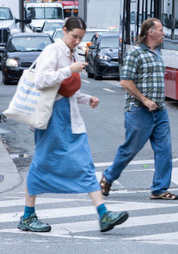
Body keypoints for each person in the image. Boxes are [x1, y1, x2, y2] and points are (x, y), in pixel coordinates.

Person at [17, 17, 129, 233]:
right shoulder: (53, 51)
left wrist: (87, 98)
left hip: (67, 117)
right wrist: (70, 70)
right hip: (52, 118)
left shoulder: (71, 54)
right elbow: (41, 80)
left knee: (85, 163)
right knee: (41, 164)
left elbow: (65, 90)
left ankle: (103, 213)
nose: (77, 41)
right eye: (74, 37)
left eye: (80, 38)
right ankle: (28, 216)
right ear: (64, 31)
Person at [100, 18, 178, 201]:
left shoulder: (157, 52)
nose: (164, 33)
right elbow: (125, 82)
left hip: (159, 110)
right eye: (161, 30)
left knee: (164, 150)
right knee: (130, 149)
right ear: (150, 32)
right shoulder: (135, 53)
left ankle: (159, 189)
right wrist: (144, 100)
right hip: (139, 110)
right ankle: (108, 177)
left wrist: (155, 102)